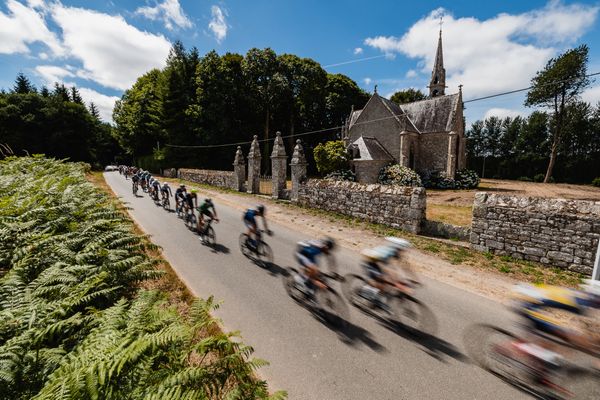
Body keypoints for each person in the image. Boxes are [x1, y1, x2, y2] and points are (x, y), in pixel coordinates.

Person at [510, 280, 600, 378]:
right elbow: (585, 329)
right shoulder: (583, 304)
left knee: (561, 337)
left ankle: (540, 363)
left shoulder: (579, 295)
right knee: (566, 336)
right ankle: (524, 350)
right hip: (528, 305)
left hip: (525, 296)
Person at [359, 237, 417, 309]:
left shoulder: (396, 253)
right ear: (398, 248)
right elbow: (386, 269)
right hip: (371, 263)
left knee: (389, 281)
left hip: (378, 263)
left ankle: (375, 299)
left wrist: (414, 279)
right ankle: (366, 293)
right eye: (403, 249)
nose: (404, 251)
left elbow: (405, 267)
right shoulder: (387, 253)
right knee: (381, 280)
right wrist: (398, 283)